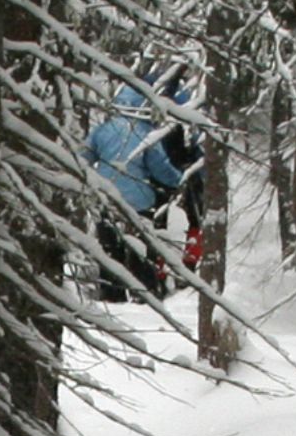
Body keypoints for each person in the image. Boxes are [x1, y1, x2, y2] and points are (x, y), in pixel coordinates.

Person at [84, 70, 205, 299]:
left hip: (106, 199)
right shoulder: (145, 133)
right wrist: (178, 179)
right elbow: (160, 169)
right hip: (141, 203)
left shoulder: (102, 131)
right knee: (142, 253)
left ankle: (113, 294)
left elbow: (83, 158)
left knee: (110, 251)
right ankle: (145, 295)